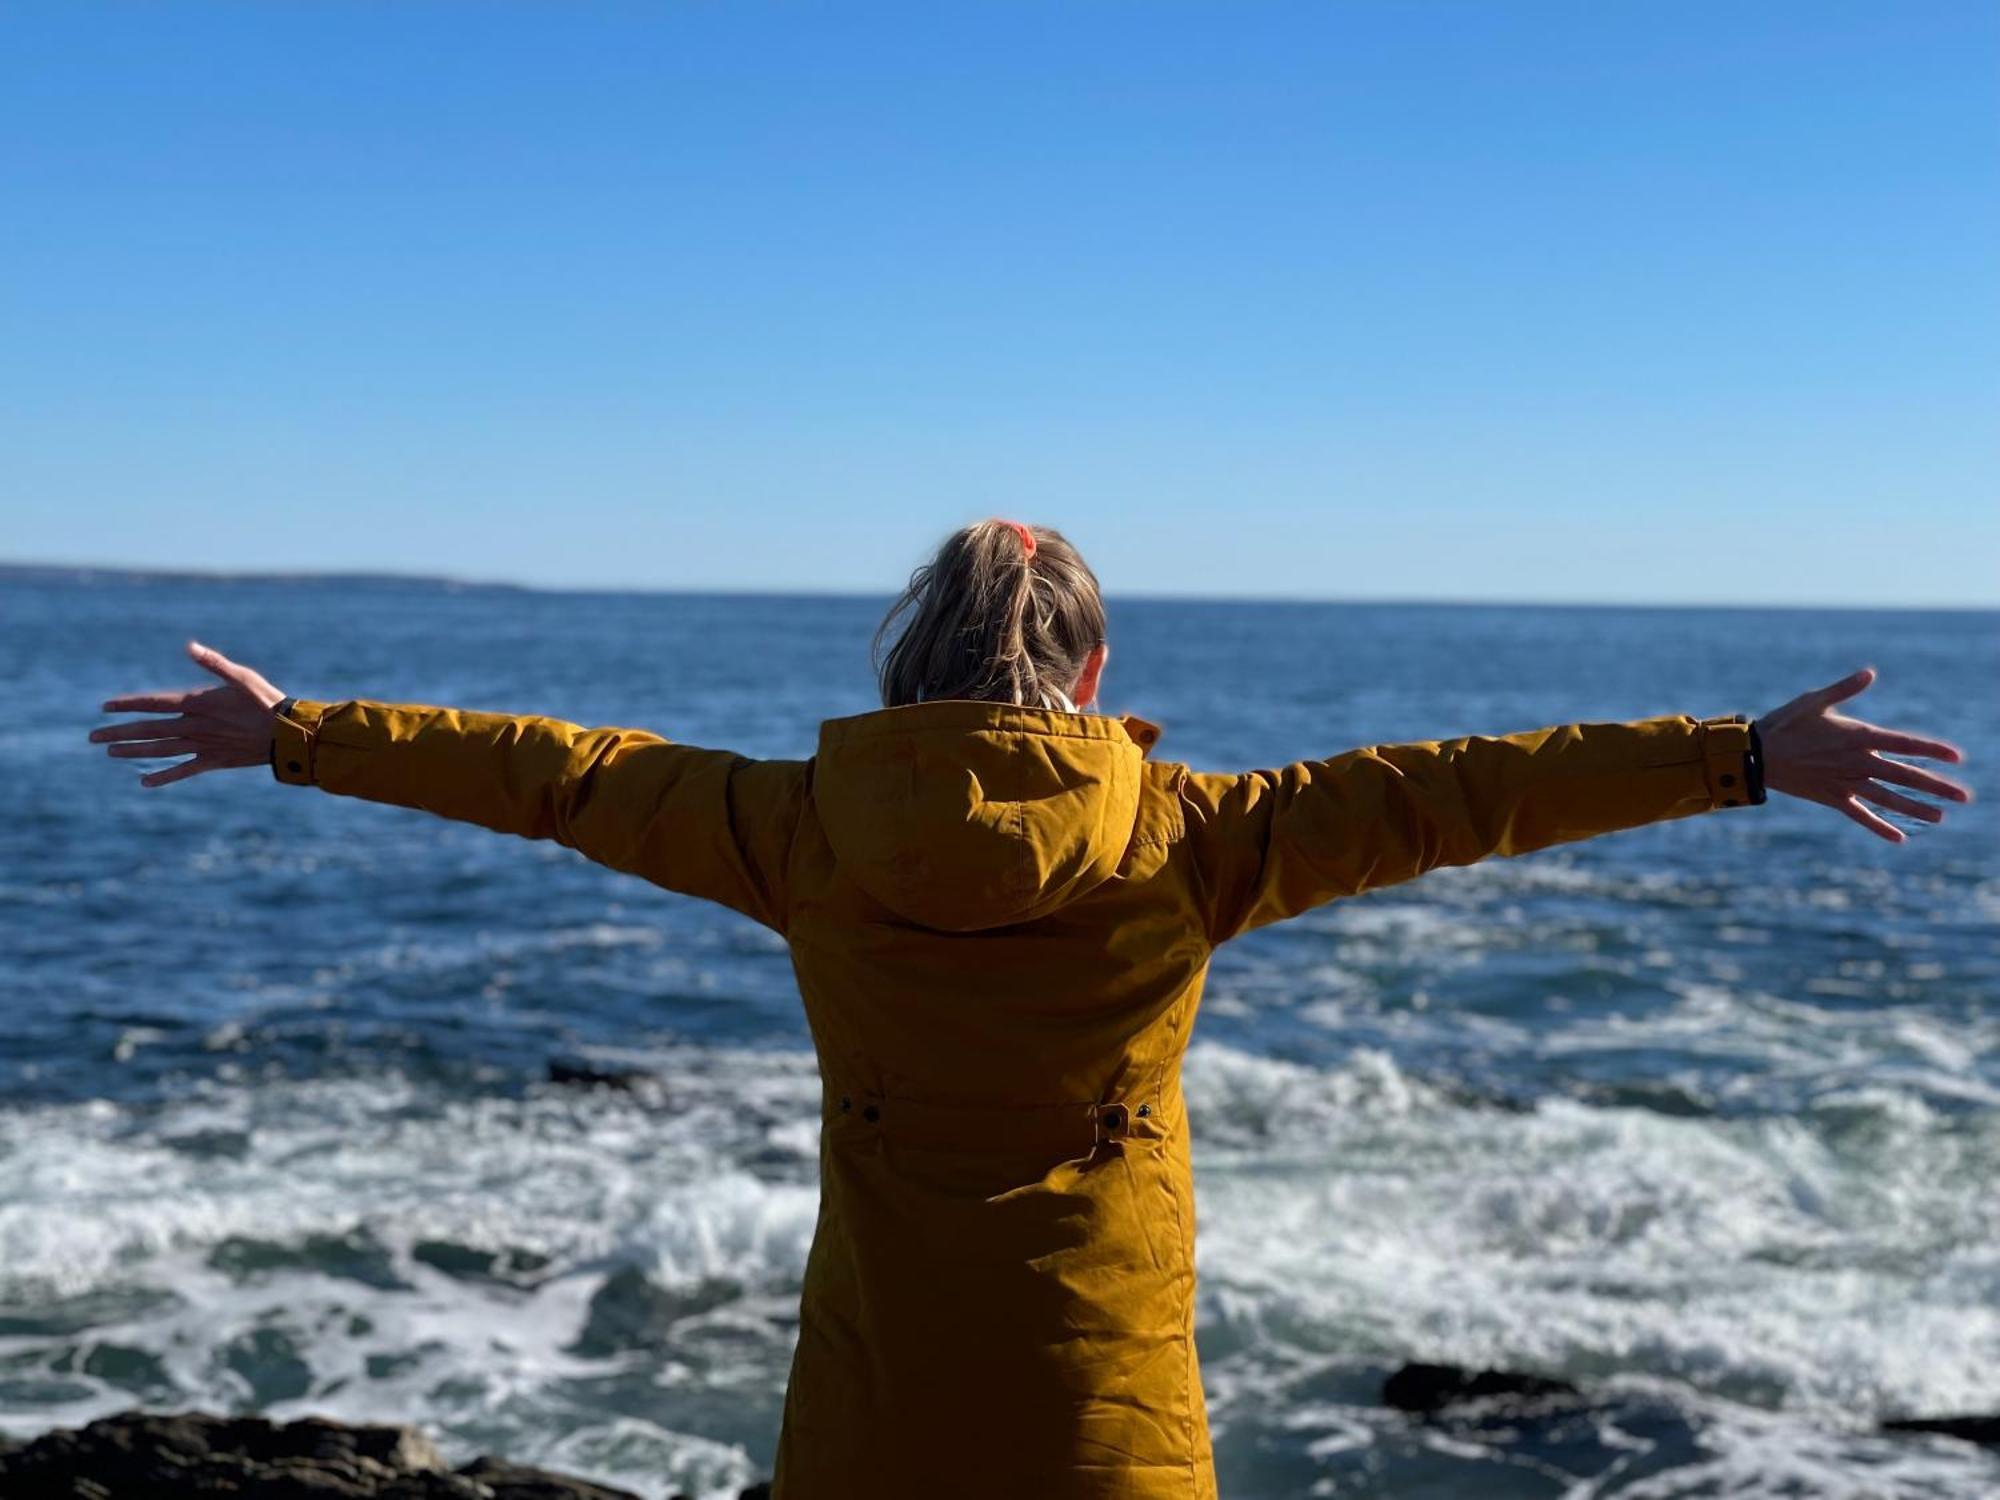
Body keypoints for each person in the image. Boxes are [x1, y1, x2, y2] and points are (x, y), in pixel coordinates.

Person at [90, 519, 1972, 1499]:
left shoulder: (799, 828)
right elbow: (1464, 787)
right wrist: (1738, 755)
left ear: (900, 667)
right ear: (1096, 675)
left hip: (875, 1429)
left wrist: (301, 737)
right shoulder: (1196, 837)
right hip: (1108, 1429)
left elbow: (559, 773)